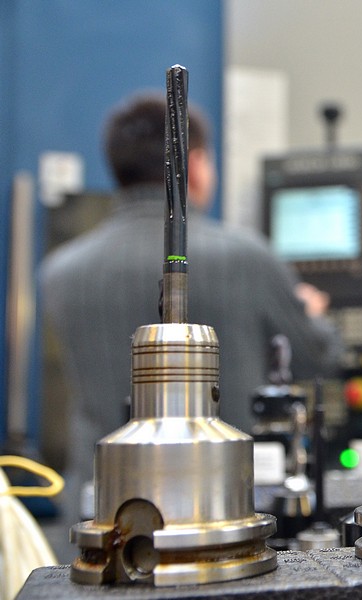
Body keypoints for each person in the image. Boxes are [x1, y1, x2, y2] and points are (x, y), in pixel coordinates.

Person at [39, 95, 343, 506]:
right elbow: (318, 358)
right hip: (222, 505)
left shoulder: (60, 272)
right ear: (195, 164)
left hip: (103, 508)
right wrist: (313, 315)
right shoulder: (247, 257)